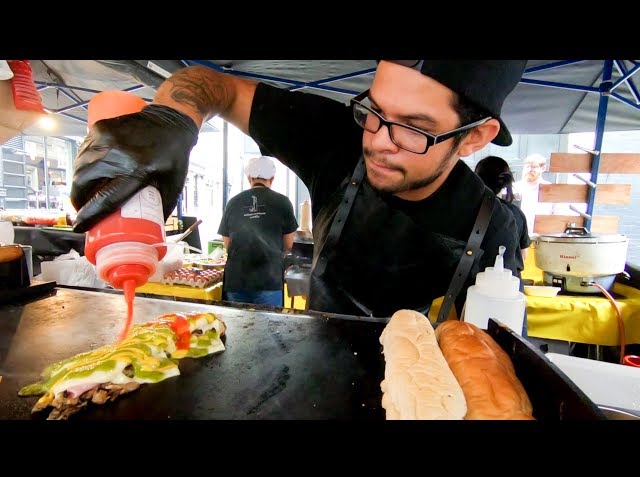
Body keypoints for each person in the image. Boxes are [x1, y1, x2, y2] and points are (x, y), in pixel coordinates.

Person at [70, 59, 527, 329]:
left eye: (413, 128)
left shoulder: (495, 228)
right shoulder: (335, 139)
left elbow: (488, 355)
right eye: (374, 111)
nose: (377, 142)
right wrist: (170, 121)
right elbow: (213, 85)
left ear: (473, 138)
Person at [218, 155, 298, 307]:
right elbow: (288, 245)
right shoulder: (283, 202)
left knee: (238, 328)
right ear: (272, 178)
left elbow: (228, 244)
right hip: (268, 280)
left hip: (237, 280)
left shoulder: (233, 202)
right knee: (268, 328)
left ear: (249, 178)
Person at [474, 155, 531, 273]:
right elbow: (523, 254)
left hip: (476, 283)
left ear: (476, 177)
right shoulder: (516, 213)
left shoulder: (468, 209)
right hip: (510, 283)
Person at [513, 153, 558, 234]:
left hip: (542, 238)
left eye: (534, 167)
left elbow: (557, 216)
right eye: (527, 166)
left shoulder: (550, 190)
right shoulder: (514, 188)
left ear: (543, 168)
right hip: (518, 237)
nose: (530, 170)